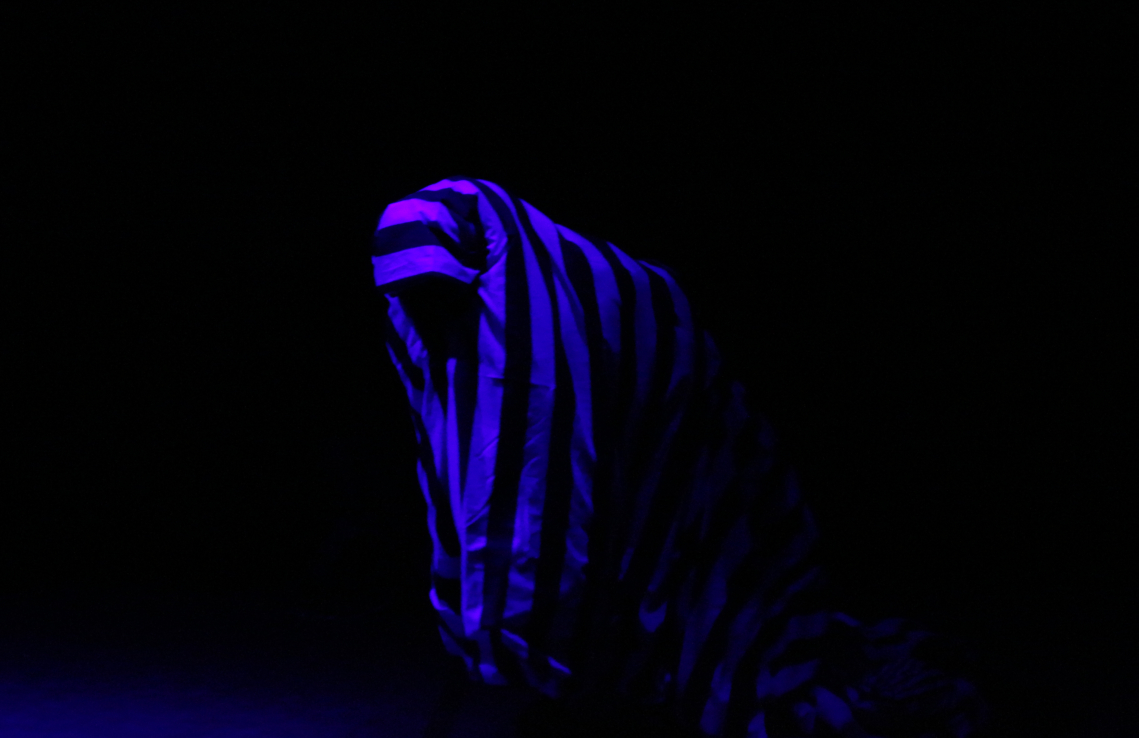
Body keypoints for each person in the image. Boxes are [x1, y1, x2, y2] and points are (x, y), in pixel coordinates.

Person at [373, 177, 988, 737]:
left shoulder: (569, 313)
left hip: (701, 492)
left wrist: (518, 616)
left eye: (436, 293)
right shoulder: (488, 326)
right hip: (643, 491)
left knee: (723, 625)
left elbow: (546, 461)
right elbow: (486, 457)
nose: (430, 316)